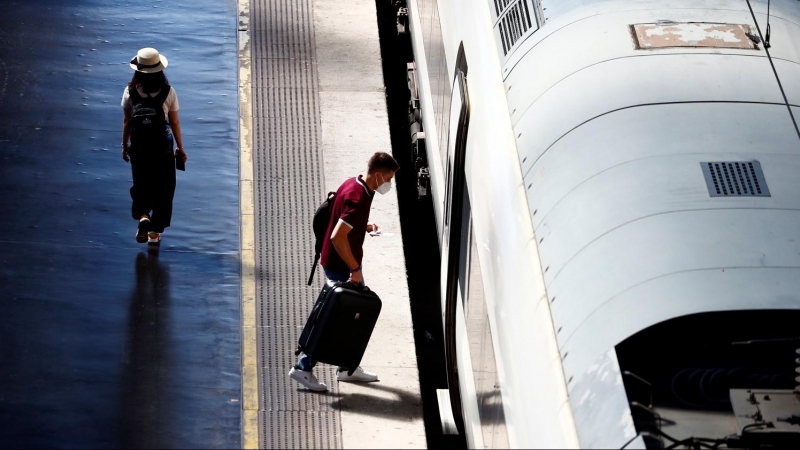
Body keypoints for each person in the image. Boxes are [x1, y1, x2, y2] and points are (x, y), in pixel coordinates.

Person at [289, 151, 400, 392]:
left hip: (337, 261)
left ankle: (347, 367)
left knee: (347, 316)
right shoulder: (359, 197)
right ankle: (303, 367)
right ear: (378, 175)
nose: (389, 184)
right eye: (389, 179)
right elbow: (338, 236)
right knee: (334, 319)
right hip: (342, 265)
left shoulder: (354, 183)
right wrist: (355, 269)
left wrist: (364, 226)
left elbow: (340, 216)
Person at [121, 47, 188, 245]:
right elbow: (174, 122)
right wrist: (180, 147)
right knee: (164, 189)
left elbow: (127, 121)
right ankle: (154, 233)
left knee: (141, 184)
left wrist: (125, 146)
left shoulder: (130, 91)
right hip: (163, 150)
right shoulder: (169, 91)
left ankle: (143, 216)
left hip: (139, 149)